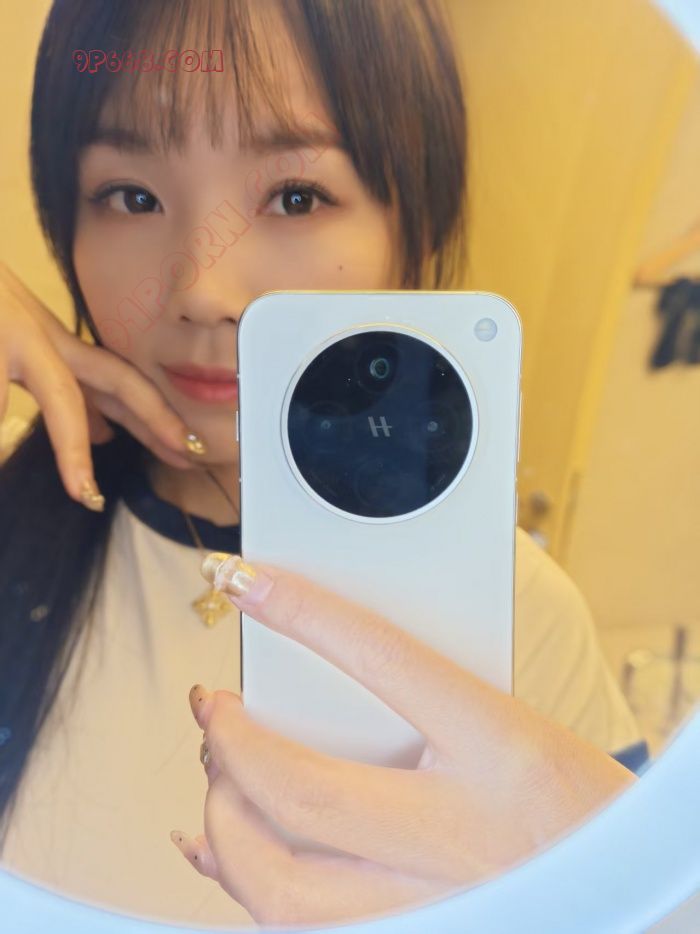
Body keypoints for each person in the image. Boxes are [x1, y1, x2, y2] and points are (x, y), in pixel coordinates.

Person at [0, 0, 647, 928]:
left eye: (296, 197)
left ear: (414, 230)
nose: (202, 290)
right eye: (132, 196)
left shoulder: (523, 615)